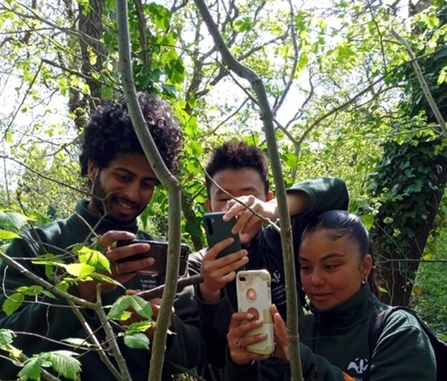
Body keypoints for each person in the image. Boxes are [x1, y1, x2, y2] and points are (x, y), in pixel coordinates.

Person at [0, 93, 206, 381]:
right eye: (123, 177)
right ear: (93, 167)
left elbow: (194, 354)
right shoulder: (35, 244)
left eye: (147, 184)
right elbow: (6, 350)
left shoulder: (160, 256)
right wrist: (78, 292)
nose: (133, 194)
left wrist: (164, 330)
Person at [188, 141, 349, 376]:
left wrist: (275, 208)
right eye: (224, 199)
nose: (237, 206)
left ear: (267, 197)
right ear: (209, 205)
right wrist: (210, 293)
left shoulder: (284, 240)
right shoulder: (196, 267)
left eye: (248, 195)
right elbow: (206, 352)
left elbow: (336, 191)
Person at [225, 210, 436, 380]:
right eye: (306, 268)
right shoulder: (299, 330)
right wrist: (241, 365)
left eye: (331, 266)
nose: (315, 279)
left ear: (364, 266)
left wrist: (302, 361)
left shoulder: (399, 331)